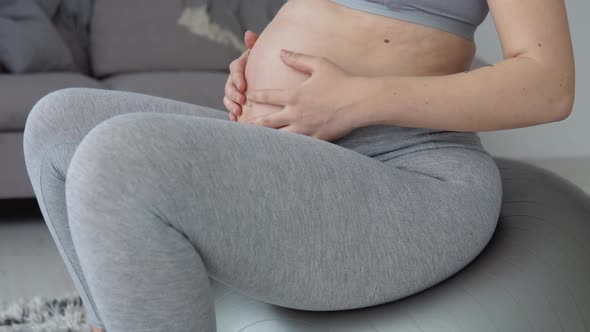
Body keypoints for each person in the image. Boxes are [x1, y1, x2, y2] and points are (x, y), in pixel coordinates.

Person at [23, 0, 575, 331]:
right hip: (309, 156)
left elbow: (549, 86)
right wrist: (256, 67)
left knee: (121, 158)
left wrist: (356, 99)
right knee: (58, 123)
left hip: (406, 175)